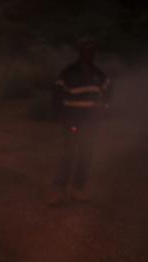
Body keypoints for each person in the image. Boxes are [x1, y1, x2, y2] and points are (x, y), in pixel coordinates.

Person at [49, 37, 112, 206]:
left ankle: (78, 189)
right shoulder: (68, 73)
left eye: (93, 51)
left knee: (85, 156)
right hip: (72, 122)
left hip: (91, 124)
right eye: (87, 50)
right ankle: (59, 191)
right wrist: (63, 118)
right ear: (81, 52)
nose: (90, 54)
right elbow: (57, 97)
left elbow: (107, 99)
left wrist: (102, 114)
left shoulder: (100, 76)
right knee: (68, 156)